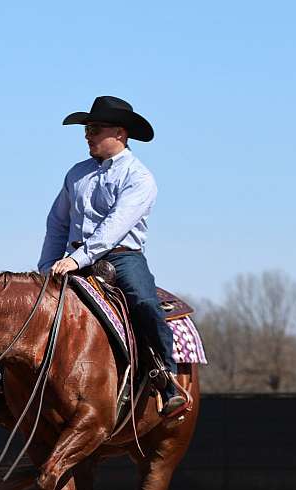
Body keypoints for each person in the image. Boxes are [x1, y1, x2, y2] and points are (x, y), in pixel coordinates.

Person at [37, 95, 185, 416]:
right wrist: (47, 266)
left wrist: (77, 261)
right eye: (87, 128)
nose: (87, 134)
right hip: (72, 259)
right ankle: (5, 383)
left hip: (122, 257)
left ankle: (166, 375)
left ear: (119, 133)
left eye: (95, 128)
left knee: (144, 302)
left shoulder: (139, 178)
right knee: (32, 306)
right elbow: (58, 222)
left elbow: (114, 227)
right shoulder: (76, 174)